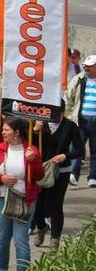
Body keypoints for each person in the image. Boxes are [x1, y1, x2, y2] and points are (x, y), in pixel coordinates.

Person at [0, 117, 44, 271]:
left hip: (25, 199)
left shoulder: (31, 150)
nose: (3, 132)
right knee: (2, 237)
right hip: (4, 198)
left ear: (17, 133)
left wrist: (34, 160)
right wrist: (0, 179)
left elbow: (39, 175)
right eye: (3, 129)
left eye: (6, 130)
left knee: (20, 239)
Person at [32, 104, 82, 251]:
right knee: (38, 205)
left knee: (55, 204)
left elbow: (79, 150)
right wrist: (35, 131)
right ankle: (41, 227)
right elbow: (30, 146)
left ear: (62, 112)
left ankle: (55, 238)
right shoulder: (41, 124)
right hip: (42, 169)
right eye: (49, 113)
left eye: (56, 113)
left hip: (62, 170)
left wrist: (65, 155)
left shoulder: (70, 126)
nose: (52, 116)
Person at [65, 54, 96, 187]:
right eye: (85, 66)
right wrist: (67, 117)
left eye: (90, 66)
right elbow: (68, 97)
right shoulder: (78, 79)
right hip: (80, 120)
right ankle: (73, 173)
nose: (87, 68)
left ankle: (93, 177)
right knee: (77, 147)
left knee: (95, 151)